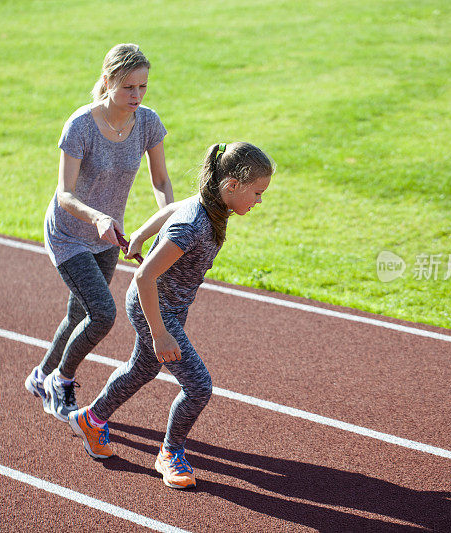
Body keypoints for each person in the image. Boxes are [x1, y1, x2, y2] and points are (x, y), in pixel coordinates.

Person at [68, 142, 274, 489]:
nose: (259, 201)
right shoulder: (194, 226)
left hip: (168, 307)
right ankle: (170, 453)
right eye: (257, 193)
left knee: (142, 369)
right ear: (233, 185)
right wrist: (160, 333)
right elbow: (144, 276)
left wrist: (138, 235)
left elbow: (173, 208)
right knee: (198, 387)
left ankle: (91, 418)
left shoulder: (209, 205)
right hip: (156, 309)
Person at [24, 43, 174, 421]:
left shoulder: (148, 122)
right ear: (107, 82)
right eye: (128, 88)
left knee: (80, 312)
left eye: (142, 87)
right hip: (70, 234)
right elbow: (65, 195)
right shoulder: (80, 126)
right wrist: (98, 218)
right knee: (103, 314)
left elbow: (160, 179)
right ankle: (61, 380)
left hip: (107, 237)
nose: (137, 96)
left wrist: (166, 219)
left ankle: (40, 374)